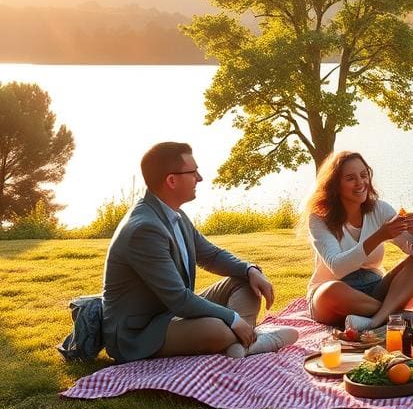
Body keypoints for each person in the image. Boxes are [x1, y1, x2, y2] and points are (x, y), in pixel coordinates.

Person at [102, 142, 296, 362]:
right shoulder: (144, 229)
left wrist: (249, 269)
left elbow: (210, 255)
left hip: (170, 314)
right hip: (139, 333)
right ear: (171, 180)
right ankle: (251, 341)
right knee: (217, 329)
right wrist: (232, 318)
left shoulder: (175, 215)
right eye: (193, 172)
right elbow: (179, 299)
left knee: (245, 282)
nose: (200, 178)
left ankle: (242, 344)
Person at [304, 151, 413, 331]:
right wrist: (379, 236)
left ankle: (374, 321)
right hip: (335, 294)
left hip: (374, 287)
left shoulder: (379, 209)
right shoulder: (319, 219)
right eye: (350, 178)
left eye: (364, 175)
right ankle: (394, 314)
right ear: (335, 184)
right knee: (330, 291)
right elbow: (338, 267)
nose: (360, 183)